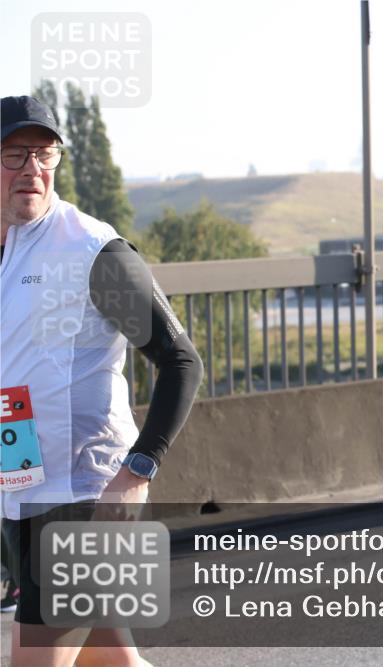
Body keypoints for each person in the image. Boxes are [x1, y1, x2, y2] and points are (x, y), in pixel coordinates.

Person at [1, 95, 203, 666]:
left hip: (87, 498)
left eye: (45, 154)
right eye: (15, 155)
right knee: (111, 662)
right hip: (25, 495)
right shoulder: (6, 254)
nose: (33, 170)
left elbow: (181, 360)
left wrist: (138, 469)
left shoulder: (90, 251)